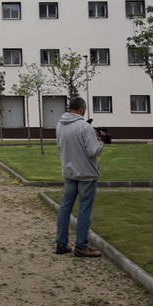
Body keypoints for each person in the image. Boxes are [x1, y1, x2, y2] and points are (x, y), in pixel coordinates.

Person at [55, 97, 105, 258]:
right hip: (86, 174)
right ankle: (81, 246)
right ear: (82, 108)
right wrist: (101, 141)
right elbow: (93, 151)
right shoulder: (85, 126)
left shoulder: (60, 125)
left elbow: (59, 146)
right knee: (84, 209)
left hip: (69, 172)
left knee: (65, 207)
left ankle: (61, 243)